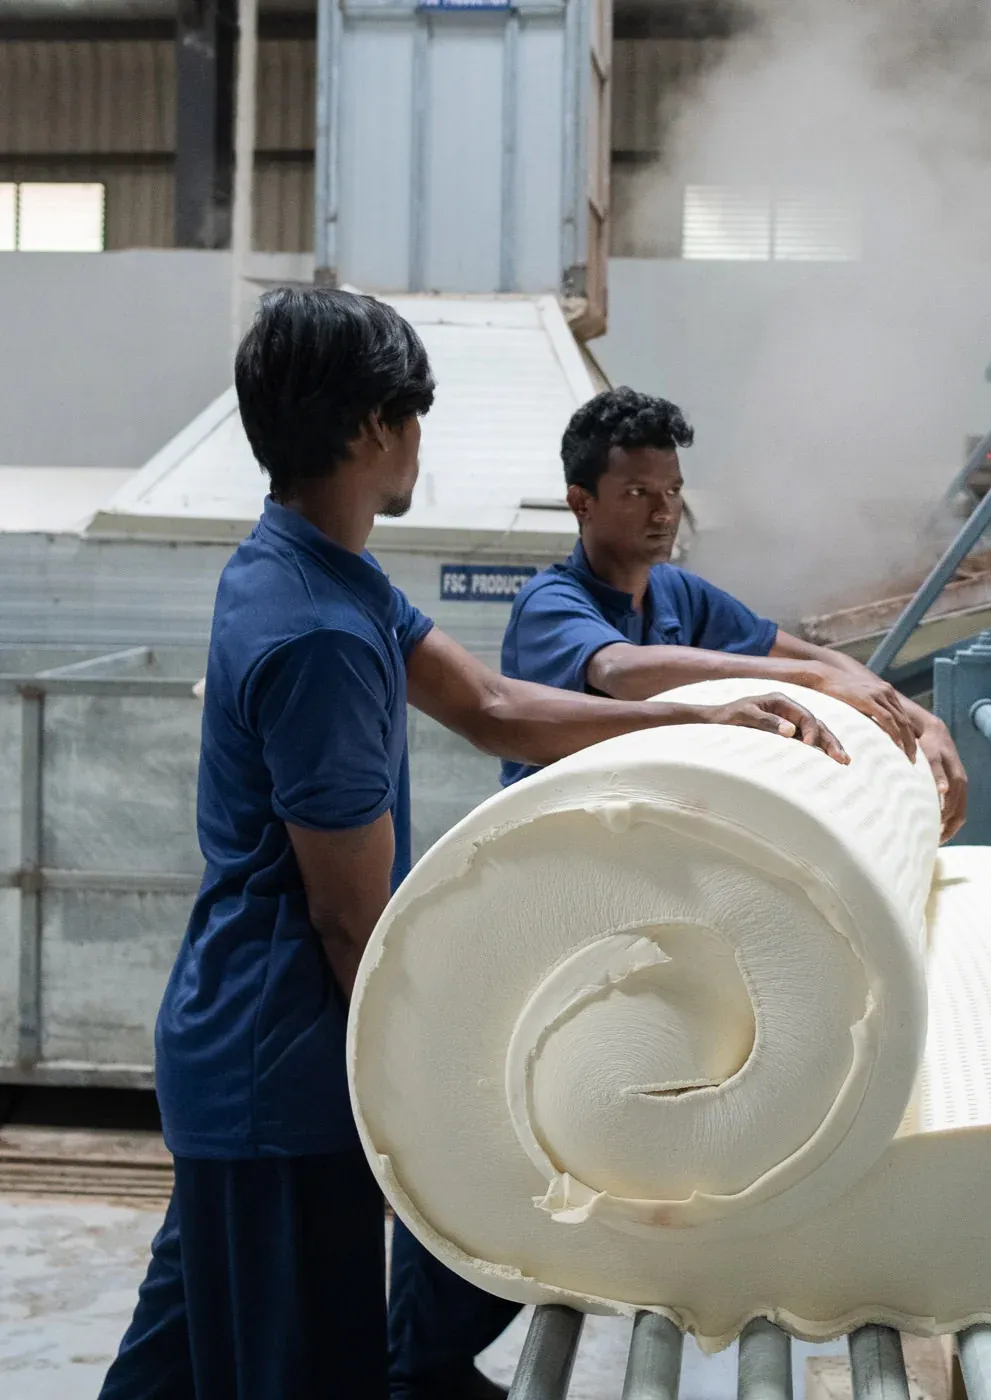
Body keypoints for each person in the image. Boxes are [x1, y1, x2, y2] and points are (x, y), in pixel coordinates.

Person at [99, 292, 846, 1400]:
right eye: (413, 417)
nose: (419, 443)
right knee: (297, 1370)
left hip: (239, 1060)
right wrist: (447, 1095)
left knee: (176, 1365)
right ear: (371, 428)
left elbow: (492, 704)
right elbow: (350, 920)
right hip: (282, 1072)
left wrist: (691, 719)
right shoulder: (319, 636)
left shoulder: (311, 568)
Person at [498, 388, 967, 839]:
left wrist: (925, 724)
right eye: (638, 493)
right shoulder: (551, 602)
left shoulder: (677, 591)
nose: (664, 513)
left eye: (673, 491)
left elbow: (816, 657)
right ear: (582, 503)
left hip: (637, 829)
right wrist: (812, 680)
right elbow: (619, 670)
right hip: (552, 835)